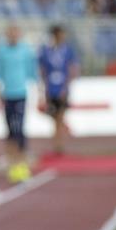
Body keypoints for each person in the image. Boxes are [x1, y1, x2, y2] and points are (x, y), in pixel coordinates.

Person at [0, 24, 37, 183]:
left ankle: (22, 165)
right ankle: (12, 165)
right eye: (10, 32)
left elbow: (32, 71)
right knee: (10, 130)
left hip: (20, 94)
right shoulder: (1, 51)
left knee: (19, 130)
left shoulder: (25, 50)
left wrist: (39, 89)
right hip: (7, 94)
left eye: (15, 32)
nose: (13, 35)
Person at [38, 25, 79, 155]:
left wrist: (66, 86)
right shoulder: (46, 50)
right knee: (54, 116)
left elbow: (72, 69)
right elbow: (42, 70)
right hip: (51, 88)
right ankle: (56, 142)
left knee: (61, 115)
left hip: (62, 87)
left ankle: (59, 144)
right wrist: (43, 88)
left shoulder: (67, 50)